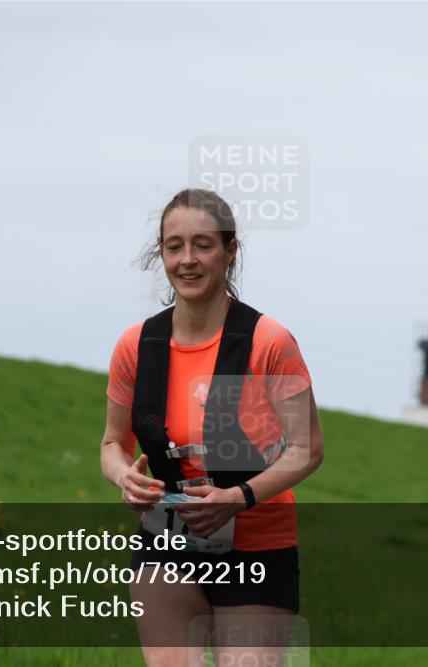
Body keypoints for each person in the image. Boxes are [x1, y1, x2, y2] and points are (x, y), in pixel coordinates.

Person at [99, 189, 325, 667]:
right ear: (159, 253)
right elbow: (111, 445)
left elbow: (307, 448)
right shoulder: (136, 346)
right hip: (165, 541)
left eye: (203, 245)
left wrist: (237, 498)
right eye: (174, 246)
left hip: (258, 547)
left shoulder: (269, 342)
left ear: (229, 251)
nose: (187, 260)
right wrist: (124, 477)